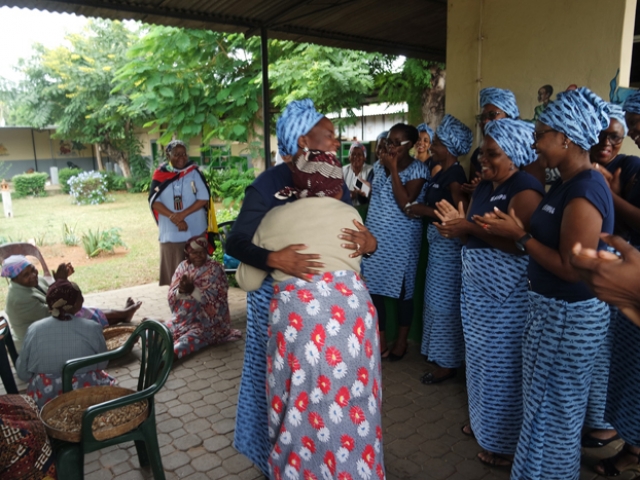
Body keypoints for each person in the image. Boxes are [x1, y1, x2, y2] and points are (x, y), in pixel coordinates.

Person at [227, 99, 377, 475]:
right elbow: (235, 243)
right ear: (301, 141)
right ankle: (275, 461)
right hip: (272, 298)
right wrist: (275, 259)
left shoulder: (332, 182)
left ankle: (319, 455)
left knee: (316, 391)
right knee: (279, 390)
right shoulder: (269, 184)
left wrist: (370, 245)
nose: (335, 141)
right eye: (327, 135)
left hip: (314, 302)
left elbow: (342, 235)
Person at [475, 87, 613, 480]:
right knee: (543, 411)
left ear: (565, 138)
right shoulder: (565, 183)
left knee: (553, 415)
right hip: (551, 315)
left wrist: (519, 236)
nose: (534, 145)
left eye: (540, 135)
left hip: (568, 318)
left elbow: (573, 268)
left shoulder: (585, 190)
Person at [434, 118, 543, 466]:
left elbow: (521, 246)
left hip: (505, 300)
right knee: (481, 365)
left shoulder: (525, 188)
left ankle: (507, 445)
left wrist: (467, 225)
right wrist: (458, 228)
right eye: (483, 153)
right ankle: (486, 428)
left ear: (514, 154)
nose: (484, 159)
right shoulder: (483, 187)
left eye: (492, 153)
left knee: (505, 369)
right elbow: (475, 234)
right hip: (478, 296)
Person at [579, 90, 640, 477]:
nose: (609, 143)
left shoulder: (629, 167)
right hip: (622, 284)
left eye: (623, 134)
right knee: (624, 367)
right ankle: (631, 446)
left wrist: (610, 195)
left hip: (630, 280)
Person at [405, 114, 471, 383]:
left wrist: (423, 210)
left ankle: (447, 364)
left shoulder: (455, 176)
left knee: (444, 306)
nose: (433, 146)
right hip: (438, 248)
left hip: (449, 251)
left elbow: (459, 214)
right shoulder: (441, 172)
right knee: (434, 302)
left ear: (451, 147)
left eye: (440, 143)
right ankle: (440, 356)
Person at [362, 123, 429, 361]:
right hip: (376, 239)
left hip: (402, 242)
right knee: (373, 289)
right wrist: (363, 190)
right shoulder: (380, 167)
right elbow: (376, 194)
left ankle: (402, 340)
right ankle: (380, 340)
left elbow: (405, 202)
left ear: (410, 145)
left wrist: (394, 170)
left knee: (403, 292)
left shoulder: (418, 170)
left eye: (396, 143)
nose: (391, 147)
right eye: (389, 141)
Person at [1, 255, 141, 353]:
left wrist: (62, 279)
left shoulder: (35, 282)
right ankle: (123, 315)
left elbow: (53, 293)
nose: (33, 275)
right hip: (38, 340)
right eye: (26, 275)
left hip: (47, 324)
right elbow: (54, 311)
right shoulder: (19, 300)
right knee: (80, 314)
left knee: (82, 311)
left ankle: (123, 314)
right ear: (15, 280)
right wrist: (62, 281)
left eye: (32, 269)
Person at [16, 279, 116, 409]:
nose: (83, 298)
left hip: (47, 403)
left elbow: (23, 373)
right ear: (75, 305)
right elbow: (102, 363)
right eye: (80, 296)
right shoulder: (92, 327)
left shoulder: (34, 329)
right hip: (87, 395)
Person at [166, 235, 242, 360]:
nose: (199, 256)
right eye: (194, 253)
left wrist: (193, 291)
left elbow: (218, 299)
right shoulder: (182, 267)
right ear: (187, 254)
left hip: (206, 325)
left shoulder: (215, 269)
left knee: (182, 345)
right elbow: (171, 294)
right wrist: (180, 291)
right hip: (181, 321)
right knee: (152, 334)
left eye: (202, 252)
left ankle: (166, 359)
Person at [149, 140, 211, 286]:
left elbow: (204, 198)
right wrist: (175, 218)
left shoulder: (193, 172)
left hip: (195, 229)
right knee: (176, 275)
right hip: (171, 232)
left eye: (184, 154)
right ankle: (178, 303)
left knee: (197, 273)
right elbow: (154, 201)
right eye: (176, 154)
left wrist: (182, 215)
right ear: (168, 155)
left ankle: (199, 304)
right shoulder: (160, 174)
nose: (181, 157)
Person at [463, 87, 523, 195]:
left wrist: (490, 185)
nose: (486, 121)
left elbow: (531, 197)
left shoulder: (526, 152)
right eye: (482, 117)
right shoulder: (477, 154)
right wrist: (478, 189)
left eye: (492, 115)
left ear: (509, 116)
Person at [342, 141, 373, 210]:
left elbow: (372, 192)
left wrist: (356, 194)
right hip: (346, 208)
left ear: (365, 157)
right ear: (349, 157)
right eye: (353, 154)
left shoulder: (371, 171)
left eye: (359, 154)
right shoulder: (343, 170)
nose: (356, 157)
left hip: (365, 209)